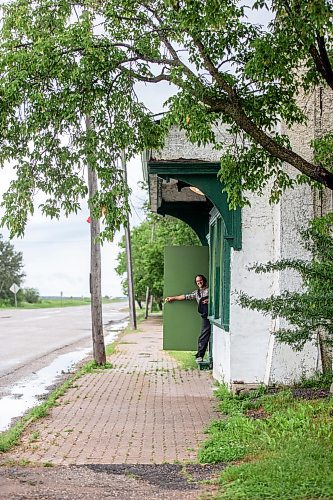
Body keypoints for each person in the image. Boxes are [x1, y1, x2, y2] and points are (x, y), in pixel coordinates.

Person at [165, 274, 211, 363]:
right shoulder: (196, 293)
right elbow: (184, 296)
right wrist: (173, 298)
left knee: (206, 336)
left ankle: (202, 355)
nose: (199, 282)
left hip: (214, 315)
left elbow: (218, 298)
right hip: (205, 316)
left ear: (204, 280)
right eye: (197, 281)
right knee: (203, 336)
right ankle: (200, 356)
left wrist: (210, 300)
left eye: (200, 280)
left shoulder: (210, 290)